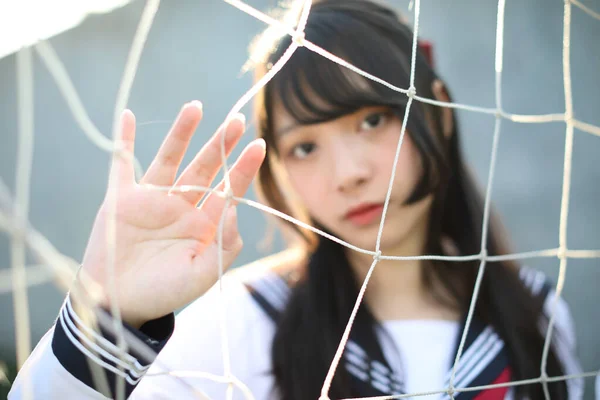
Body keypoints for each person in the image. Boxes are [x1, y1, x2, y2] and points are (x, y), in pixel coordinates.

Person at [9, 1, 583, 399]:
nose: (347, 174)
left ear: (435, 108)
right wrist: (107, 318)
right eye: (305, 146)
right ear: (276, 168)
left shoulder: (538, 313)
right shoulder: (242, 322)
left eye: (374, 119)